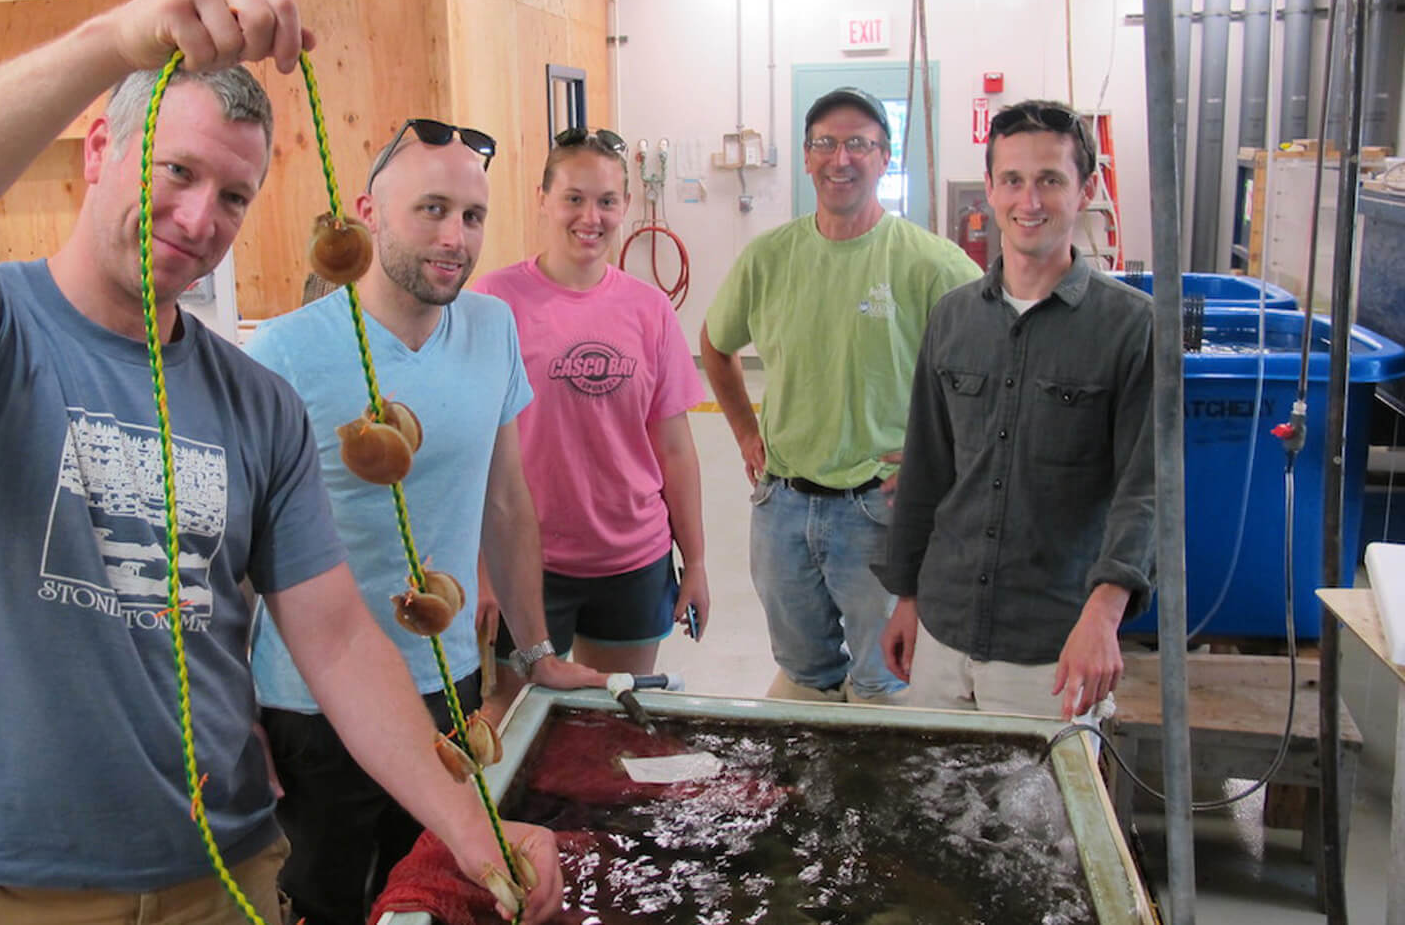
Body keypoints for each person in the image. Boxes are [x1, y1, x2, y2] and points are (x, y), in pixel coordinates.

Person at [0, 0, 562, 923]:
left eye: (236, 194)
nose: (201, 217)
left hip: (222, 874)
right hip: (7, 886)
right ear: (99, 152)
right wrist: (111, 43)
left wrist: (469, 820)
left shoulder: (258, 403)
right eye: (177, 170)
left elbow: (332, 637)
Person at [246, 118, 605, 924]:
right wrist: (235, 710)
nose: (456, 238)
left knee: (444, 899)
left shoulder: (491, 330)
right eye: (432, 210)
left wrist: (537, 649)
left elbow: (506, 502)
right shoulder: (283, 355)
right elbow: (238, 553)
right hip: (312, 709)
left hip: (448, 691)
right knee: (329, 904)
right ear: (368, 213)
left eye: (472, 217)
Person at [873, 99, 1155, 719]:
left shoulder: (1131, 328)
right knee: (939, 807)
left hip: (1051, 648)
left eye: (1051, 180)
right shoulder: (953, 317)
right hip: (943, 632)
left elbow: (1149, 489)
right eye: (1013, 180)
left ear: (1083, 192)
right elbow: (926, 470)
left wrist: (1105, 613)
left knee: (1040, 815)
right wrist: (908, 596)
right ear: (992, 194)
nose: (1031, 200)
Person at [700, 87, 982, 704]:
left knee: (884, 681)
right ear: (806, 158)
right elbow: (715, 345)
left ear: (885, 158)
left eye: (859, 143)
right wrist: (748, 433)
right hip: (782, 508)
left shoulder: (932, 264)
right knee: (804, 672)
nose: (841, 157)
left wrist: (943, 463)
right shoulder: (770, 257)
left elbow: (994, 367)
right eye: (825, 143)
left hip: (879, 511)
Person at [472, 127, 708, 701]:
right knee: (515, 722)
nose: (591, 216)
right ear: (542, 198)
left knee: (613, 718)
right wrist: (481, 570)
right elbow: (471, 448)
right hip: (527, 562)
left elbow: (673, 448)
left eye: (606, 201)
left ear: (626, 205)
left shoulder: (648, 309)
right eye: (574, 197)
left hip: (631, 557)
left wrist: (695, 560)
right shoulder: (494, 302)